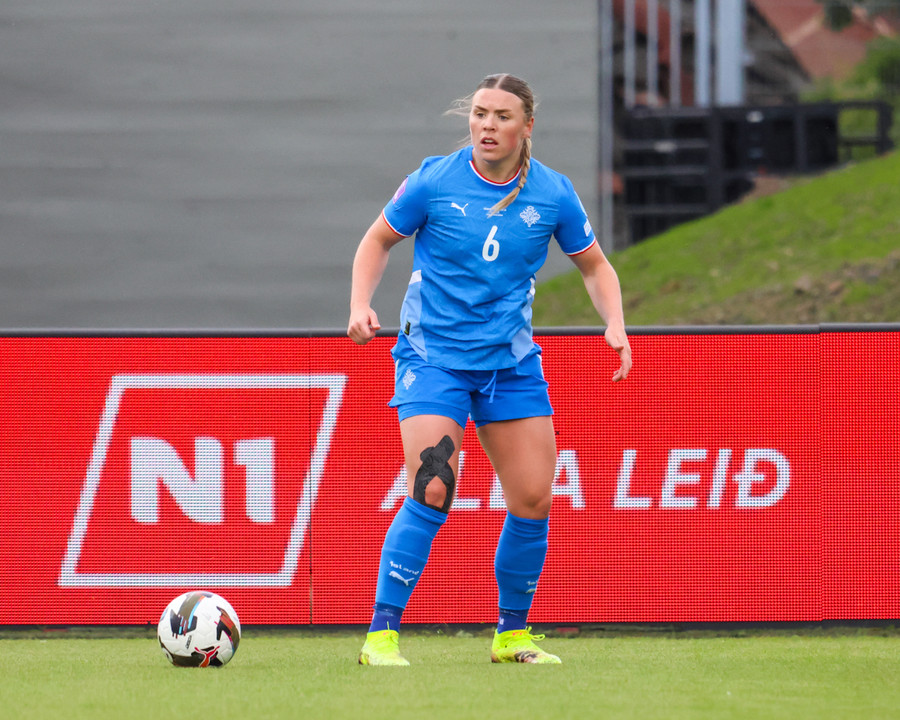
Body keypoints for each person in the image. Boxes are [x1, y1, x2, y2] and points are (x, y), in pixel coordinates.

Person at [347, 73, 631, 665]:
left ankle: (511, 636)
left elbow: (596, 267)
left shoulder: (552, 193)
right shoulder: (434, 180)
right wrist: (359, 305)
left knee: (532, 499)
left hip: (510, 364)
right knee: (432, 486)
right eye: (479, 114)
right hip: (434, 358)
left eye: (502, 116)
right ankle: (381, 636)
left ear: (527, 126)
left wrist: (615, 323)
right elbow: (376, 242)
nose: (487, 126)